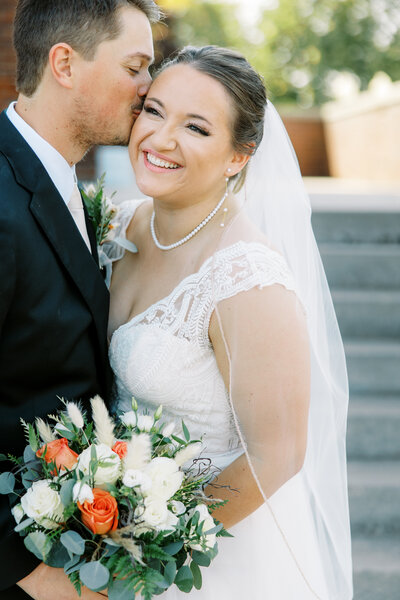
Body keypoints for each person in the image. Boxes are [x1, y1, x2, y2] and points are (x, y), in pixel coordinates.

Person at [106, 46, 353, 599]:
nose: (160, 139)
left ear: (239, 157)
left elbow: (278, 455)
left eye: (195, 127)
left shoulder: (247, 277)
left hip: (207, 560)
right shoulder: (116, 225)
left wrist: (150, 551)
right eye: (153, 110)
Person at [0, 1, 159, 599]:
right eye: (135, 67)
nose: (149, 89)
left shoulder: (64, 180)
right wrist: (32, 574)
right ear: (64, 63)